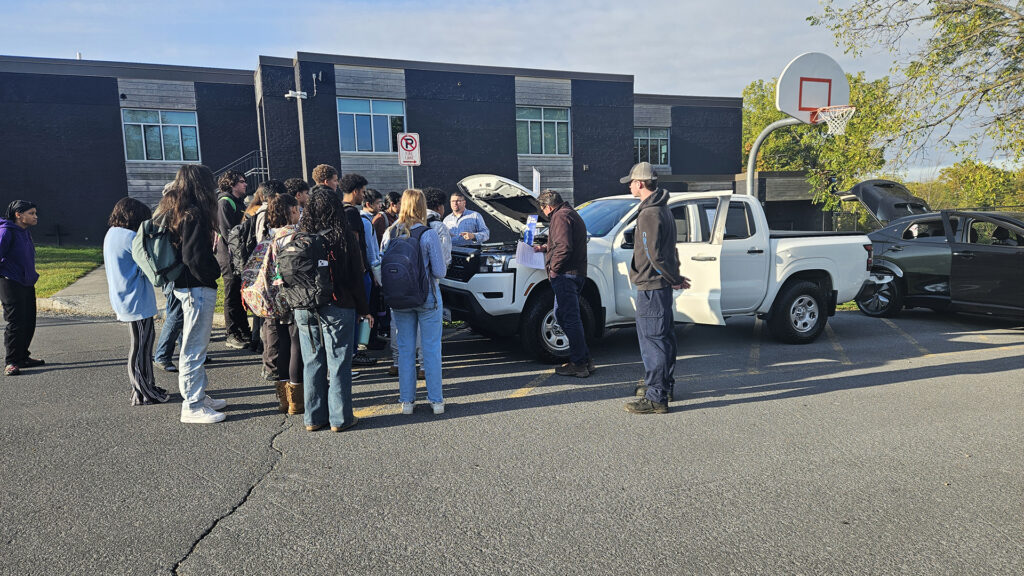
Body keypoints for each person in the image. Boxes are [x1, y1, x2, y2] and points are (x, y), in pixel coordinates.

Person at [293, 188, 369, 432]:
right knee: (338, 363)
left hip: (304, 306)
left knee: (312, 361)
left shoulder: (300, 236)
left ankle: (313, 418)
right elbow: (355, 276)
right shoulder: (343, 236)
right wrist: (364, 308)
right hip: (337, 304)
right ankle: (340, 418)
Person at [620, 162, 690, 415]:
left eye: (631, 181)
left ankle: (656, 397)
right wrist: (675, 277)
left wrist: (673, 278)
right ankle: (662, 386)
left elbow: (654, 255)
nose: (629, 185)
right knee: (663, 338)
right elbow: (669, 251)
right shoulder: (662, 208)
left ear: (640, 183)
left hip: (652, 285)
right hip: (659, 285)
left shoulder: (649, 213)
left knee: (653, 342)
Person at [161, 164, 229, 424]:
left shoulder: (178, 210)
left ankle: (199, 395)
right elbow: (194, 257)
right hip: (196, 286)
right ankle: (192, 404)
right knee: (194, 347)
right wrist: (212, 273)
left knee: (195, 345)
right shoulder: (193, 213)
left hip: (186, 285)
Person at [381, 189, 447, 415]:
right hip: (427, 296)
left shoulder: (391, 232)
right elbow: (439, 271)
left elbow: (382, 263)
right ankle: (436, 401)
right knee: (430, 349)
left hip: (399, 298)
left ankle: (407, 402)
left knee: (405, 349)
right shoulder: (427, 234)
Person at [103, 197, 169, 405]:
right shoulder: (131, 237)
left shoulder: (112, 233)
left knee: (142, 345)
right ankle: (143, 391)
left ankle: (146, 385)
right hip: (136, 300)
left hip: (124, 296)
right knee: (141, 347)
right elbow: (149, 265)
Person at [533, 190, 593, 378]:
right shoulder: (569, 213)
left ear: (548, 206)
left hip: (566, 275)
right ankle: (584, 359)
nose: (543, 212)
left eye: (542, 208)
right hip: (573, 273)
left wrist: (554, 269)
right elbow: (563, 243)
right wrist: (545, 247)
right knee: (563, 315)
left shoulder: (560, 216)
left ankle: (579, 363)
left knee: (569, 318)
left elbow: (564, 247)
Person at [261, 193, 304, 415]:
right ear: (291, 210)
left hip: (274, 296)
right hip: (292, 293)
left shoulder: (271, 236)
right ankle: (297, 398)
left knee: (282, 344)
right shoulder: (294, 235)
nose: (299, 212)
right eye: (296, 208)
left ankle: (283, 398)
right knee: (296, 343)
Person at [339, 173, 377, 368]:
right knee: (361, 312)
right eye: (362, 192)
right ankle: (356, 351)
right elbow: (354, 241)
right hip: (357, 272)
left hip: (344, 272)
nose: (363, 196)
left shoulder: (337, 209)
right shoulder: (352, 212)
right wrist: (362, 269)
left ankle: (352, 351)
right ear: (355, 191)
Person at [0, 200, 41, 376]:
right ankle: (11, 362)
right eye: (31, 213)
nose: (35, 216)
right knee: (15, 321)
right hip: (10, 282)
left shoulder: (24, 232)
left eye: (35, 213)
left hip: (26, 282)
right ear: (18, 215)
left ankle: (23, 356)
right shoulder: (6, 231)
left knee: (29, 319)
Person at [214, 170, 251, 350]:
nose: (245, 184)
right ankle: (231, 333)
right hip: (229, 256)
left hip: (238, 255)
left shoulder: (239, 202)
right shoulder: (225, 202)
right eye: (242, 182)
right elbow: (229, 233)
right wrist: (239, 255)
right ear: (232, 184)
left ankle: (244, 330)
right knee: (231, 293)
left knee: (239, 293)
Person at [153, 182, 183, 372]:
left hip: (168, 272)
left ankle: (184, 350)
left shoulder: (160, 216)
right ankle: (162, 355)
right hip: (174, 272)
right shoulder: (170, 218)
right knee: (176, 314)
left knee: (179, 314)